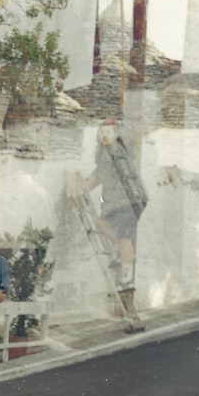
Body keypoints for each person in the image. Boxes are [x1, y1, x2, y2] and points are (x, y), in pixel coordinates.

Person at [84, 120, 148, 289]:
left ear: (116, 134)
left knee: (125, 240)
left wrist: (84, 186)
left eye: (109, 132)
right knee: (103, 224)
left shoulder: (112, 152)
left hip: (128, 201)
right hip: (123, 200)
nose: (105, 135)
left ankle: (126, 280)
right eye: (102, 132)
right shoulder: (111, 151)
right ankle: (122, 254)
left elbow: (99, 175)